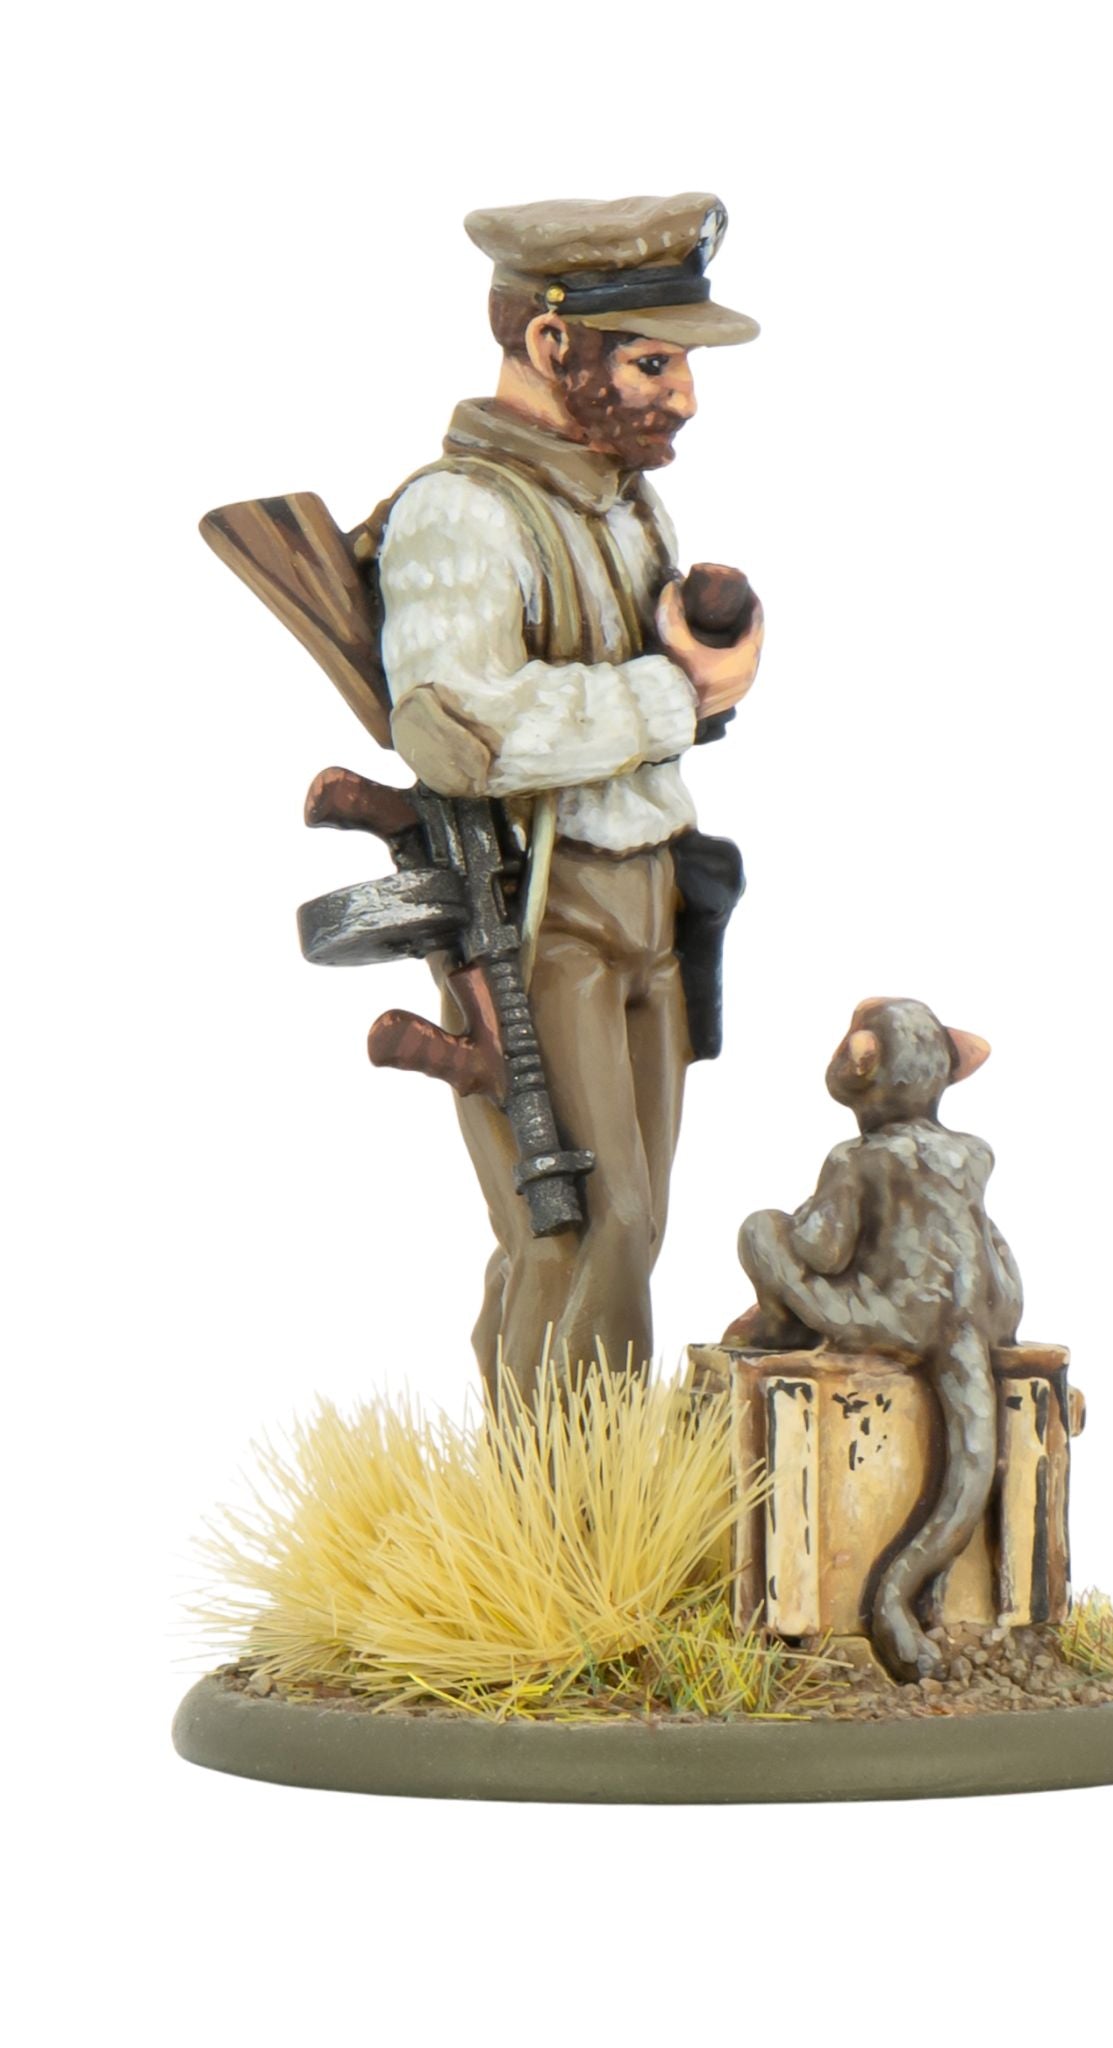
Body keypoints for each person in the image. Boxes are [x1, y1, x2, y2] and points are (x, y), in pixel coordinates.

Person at [373, 192, 763, 1399]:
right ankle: (560, 1484)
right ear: (551, 343)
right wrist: (675, 693)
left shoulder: (622, 500)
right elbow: (460, 731)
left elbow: (643, 695)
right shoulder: (459, 512)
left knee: (635, 1220)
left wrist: (707, 667)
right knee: (579, 1216)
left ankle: (574, 1470)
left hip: (653, 891)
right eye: (651, 362)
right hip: (543, 905)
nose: (682, 396)